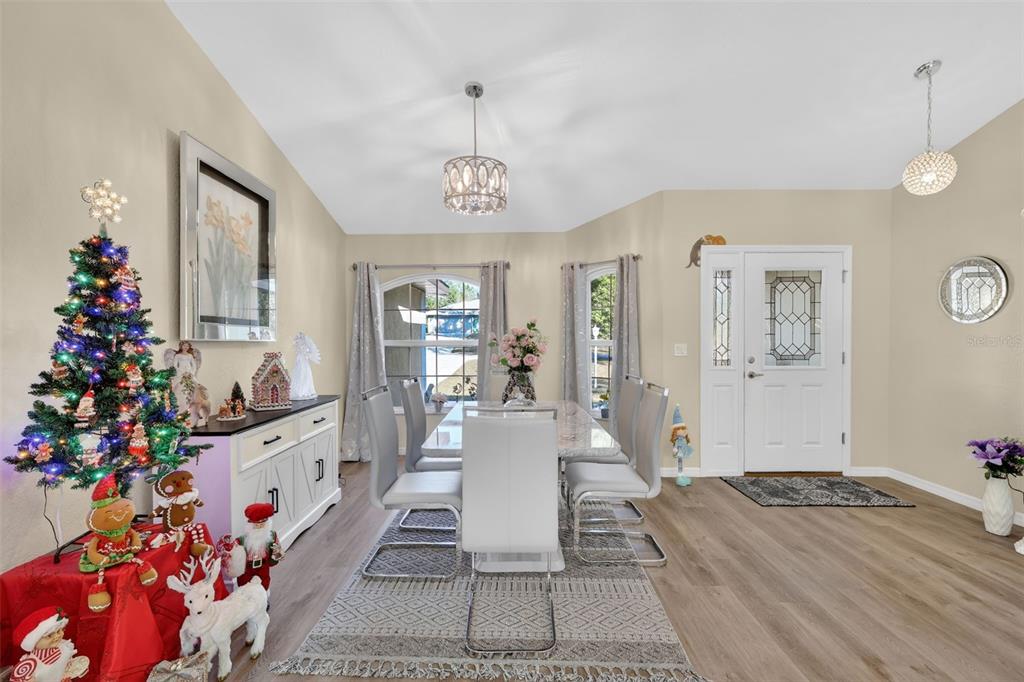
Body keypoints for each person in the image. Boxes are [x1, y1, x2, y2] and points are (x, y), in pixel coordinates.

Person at [226, 502, 282, 602]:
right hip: (247, 569)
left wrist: (276, 554)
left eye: (263, 524)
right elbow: (233, 560)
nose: (260, 527)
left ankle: (262, 602)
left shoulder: (272, 536)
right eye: (257, 525)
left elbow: (278, 554)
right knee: (245, 586)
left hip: (263, 568)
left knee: (264, 584)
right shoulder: (240, 541)